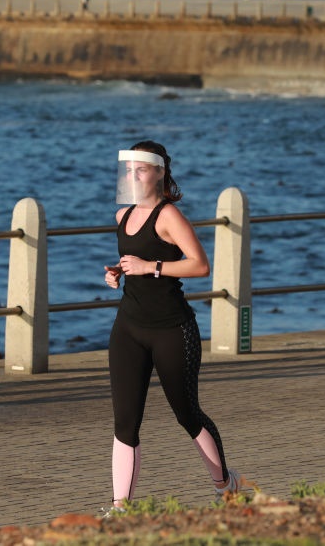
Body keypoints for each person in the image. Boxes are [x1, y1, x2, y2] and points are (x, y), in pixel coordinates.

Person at [102, 140, 241, 514]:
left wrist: (152, 268)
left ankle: (227, 487)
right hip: (129, 328)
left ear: (160, 173)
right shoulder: (122, 216)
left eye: (142, 169)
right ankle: (121, 510)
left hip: (171, 329)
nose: (133, 175)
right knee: (125, 422)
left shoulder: (169, 216)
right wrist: (118, 272)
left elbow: (199, 265)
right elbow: (136, 258)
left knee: (187, 413)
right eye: (129, 169)